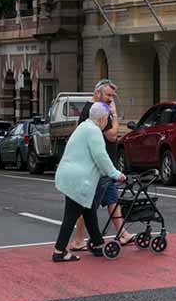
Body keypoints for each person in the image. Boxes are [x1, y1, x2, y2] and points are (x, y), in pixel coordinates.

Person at [51, 101, 125, 262]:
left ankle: (98, 245)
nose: (108, 122)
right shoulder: (94, 131)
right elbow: (100, 157)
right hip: (79, 180)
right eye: (107, 118)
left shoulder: (84, 126)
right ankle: (59, 251)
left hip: (70, 176)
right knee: (71, 216)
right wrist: (115, 173)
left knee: (89, 211)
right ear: (102, 118)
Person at [69, 79, 136, 251]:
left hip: (105, 165)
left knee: (112, 198)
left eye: (112, 96)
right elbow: (112, 136)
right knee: (87, 204)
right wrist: (114, 119)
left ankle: (121, 233)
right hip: (97, 166)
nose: (110, 99)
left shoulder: (99, 108)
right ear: (98, 93)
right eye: (108, 95)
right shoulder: (95, 110)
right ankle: (78, 240)